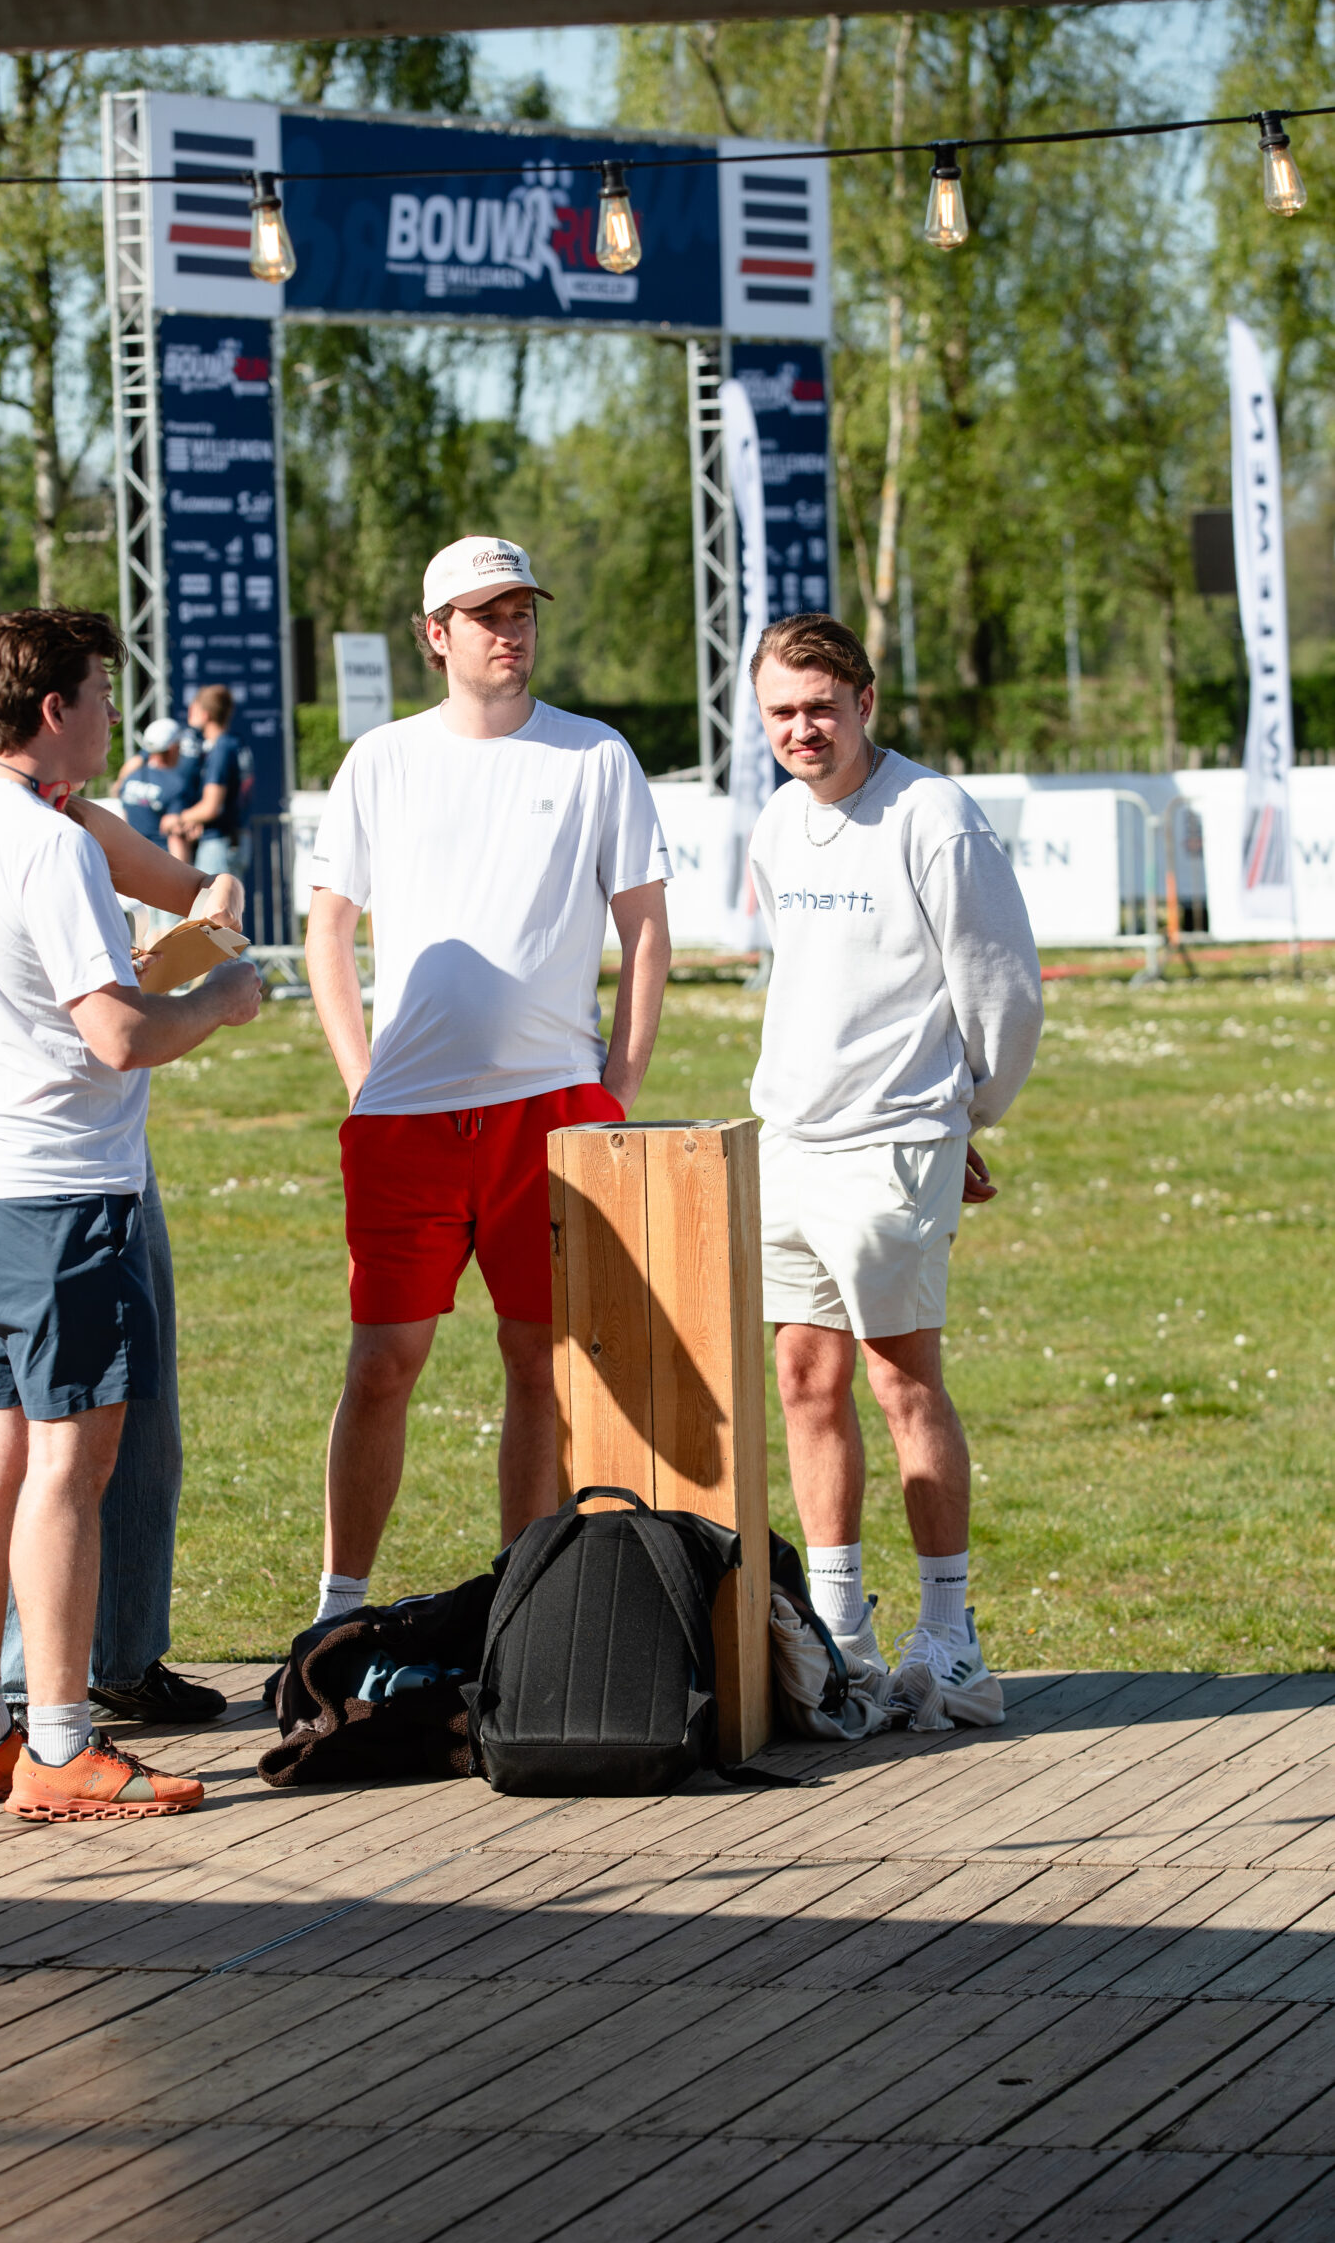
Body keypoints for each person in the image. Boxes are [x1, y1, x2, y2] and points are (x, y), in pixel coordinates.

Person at [0, 606, 261, 1819]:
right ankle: (59, 1747)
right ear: (55, 709)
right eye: (103, 694)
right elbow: (118, 1033)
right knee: (67, 1465)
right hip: (60, 1191)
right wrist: (218, 998)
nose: (115, 715)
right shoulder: (49, 846)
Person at [304, 534, 673, 1625]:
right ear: (436, 634)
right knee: (382, 1363)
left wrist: (615, 1092)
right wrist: (361, 1076)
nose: (510, 632)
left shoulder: (595, 754)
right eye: (486, 615)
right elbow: (328, 928)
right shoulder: (382, 759)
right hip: (405, 1119)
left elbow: (646, 930)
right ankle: (337, 1606)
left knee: (541, 1364)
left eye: (522, 612)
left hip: (552, 1111)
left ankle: (522, 1614)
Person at [746, 611, 1042, 1716]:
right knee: (804, 1378)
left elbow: (1003, 993)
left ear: (864, 702)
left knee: (900, 1380)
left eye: (822, 708)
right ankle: (844, 1639)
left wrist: (965, 1116)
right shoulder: (777, 823)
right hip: (790, 1143)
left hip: (894, 1142)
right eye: (781, 712)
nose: (802, 729)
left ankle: (951, 1642)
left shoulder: (934, 816)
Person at [168, 685, 252, 877]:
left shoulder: (221, 749)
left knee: (211, 897)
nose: (189, 715)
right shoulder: (235, 743)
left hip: (219, 844)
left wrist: (177, 819)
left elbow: (211, 807)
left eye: (193, 710)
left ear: (205, 714)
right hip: (233, 839)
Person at [111, 715, 197, 861]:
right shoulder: (176, 785)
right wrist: (182, 873)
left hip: (131, 858)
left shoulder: (131, 778)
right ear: (173, 748)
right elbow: (175, 836)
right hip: (161, 862)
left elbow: (125, 819)